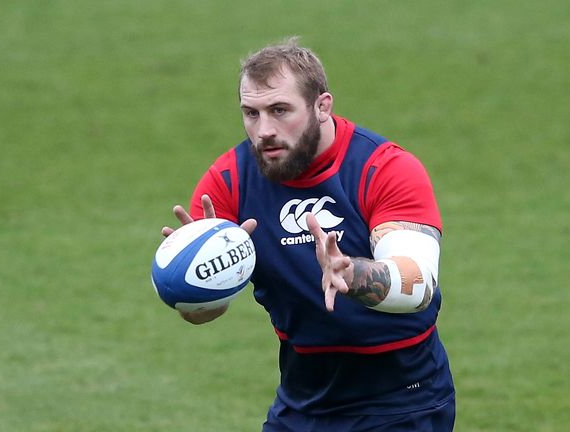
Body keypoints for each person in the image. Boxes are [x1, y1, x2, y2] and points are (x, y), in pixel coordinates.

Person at [161, 37, 456, 431]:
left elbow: (418, 284)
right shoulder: (230, 181)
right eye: (251, 113)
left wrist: (350, 274)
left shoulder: (383, 169)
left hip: (403, 400)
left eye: (280, 110)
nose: (264, 130)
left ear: (322, 106)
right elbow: (201, 316)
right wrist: (196, 281)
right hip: (304, 399)